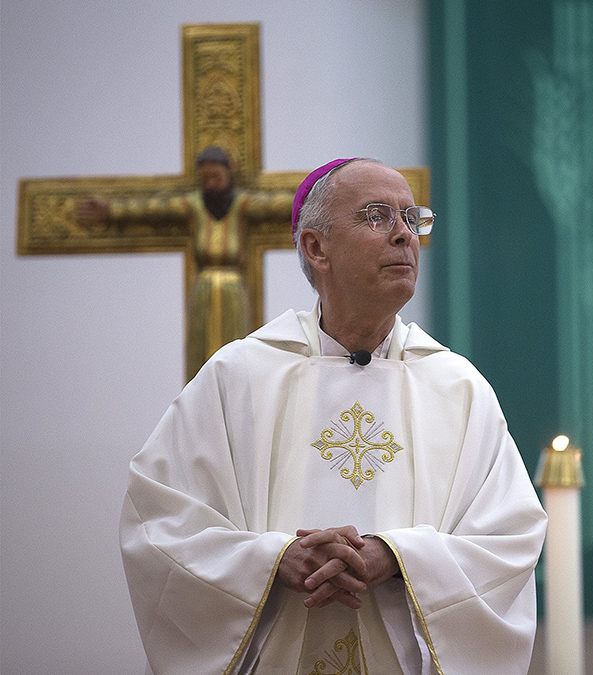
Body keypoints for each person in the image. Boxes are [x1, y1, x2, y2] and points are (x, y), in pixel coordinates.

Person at [119, 157, 547, 675]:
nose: (403, 236)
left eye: (412, 219)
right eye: (376, 216)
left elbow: (510, 536)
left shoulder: (457, 387)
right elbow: (159, 522)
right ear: (316, 248)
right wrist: (273, 561)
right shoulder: (239, 375)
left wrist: (398, 558)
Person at [77, 146, 293, 380]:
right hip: (203, 291)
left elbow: (278, 204)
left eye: (216, 177)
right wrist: (113, 210)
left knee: (237, 357)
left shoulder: (243, 204)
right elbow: (153, 210)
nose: (211, 184)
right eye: (206, 178)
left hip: (233, 291)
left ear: (229, 172)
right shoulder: (193, 205)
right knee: (201, 362)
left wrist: (324, 199)